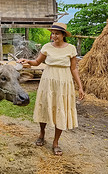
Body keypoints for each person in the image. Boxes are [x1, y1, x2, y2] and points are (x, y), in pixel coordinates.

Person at [19, 22, 84, 156]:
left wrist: (80, 87)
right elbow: (37, 62)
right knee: (45, 106)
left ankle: (55, 142)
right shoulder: (47, 47)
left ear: (63, 35)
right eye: (52, 33)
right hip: (48, 80)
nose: (53, 36)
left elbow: (73, 69)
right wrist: (26, 61)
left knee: (61, 109)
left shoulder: (71, 48)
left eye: (57, 34)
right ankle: (42, 133)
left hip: (64, 82)